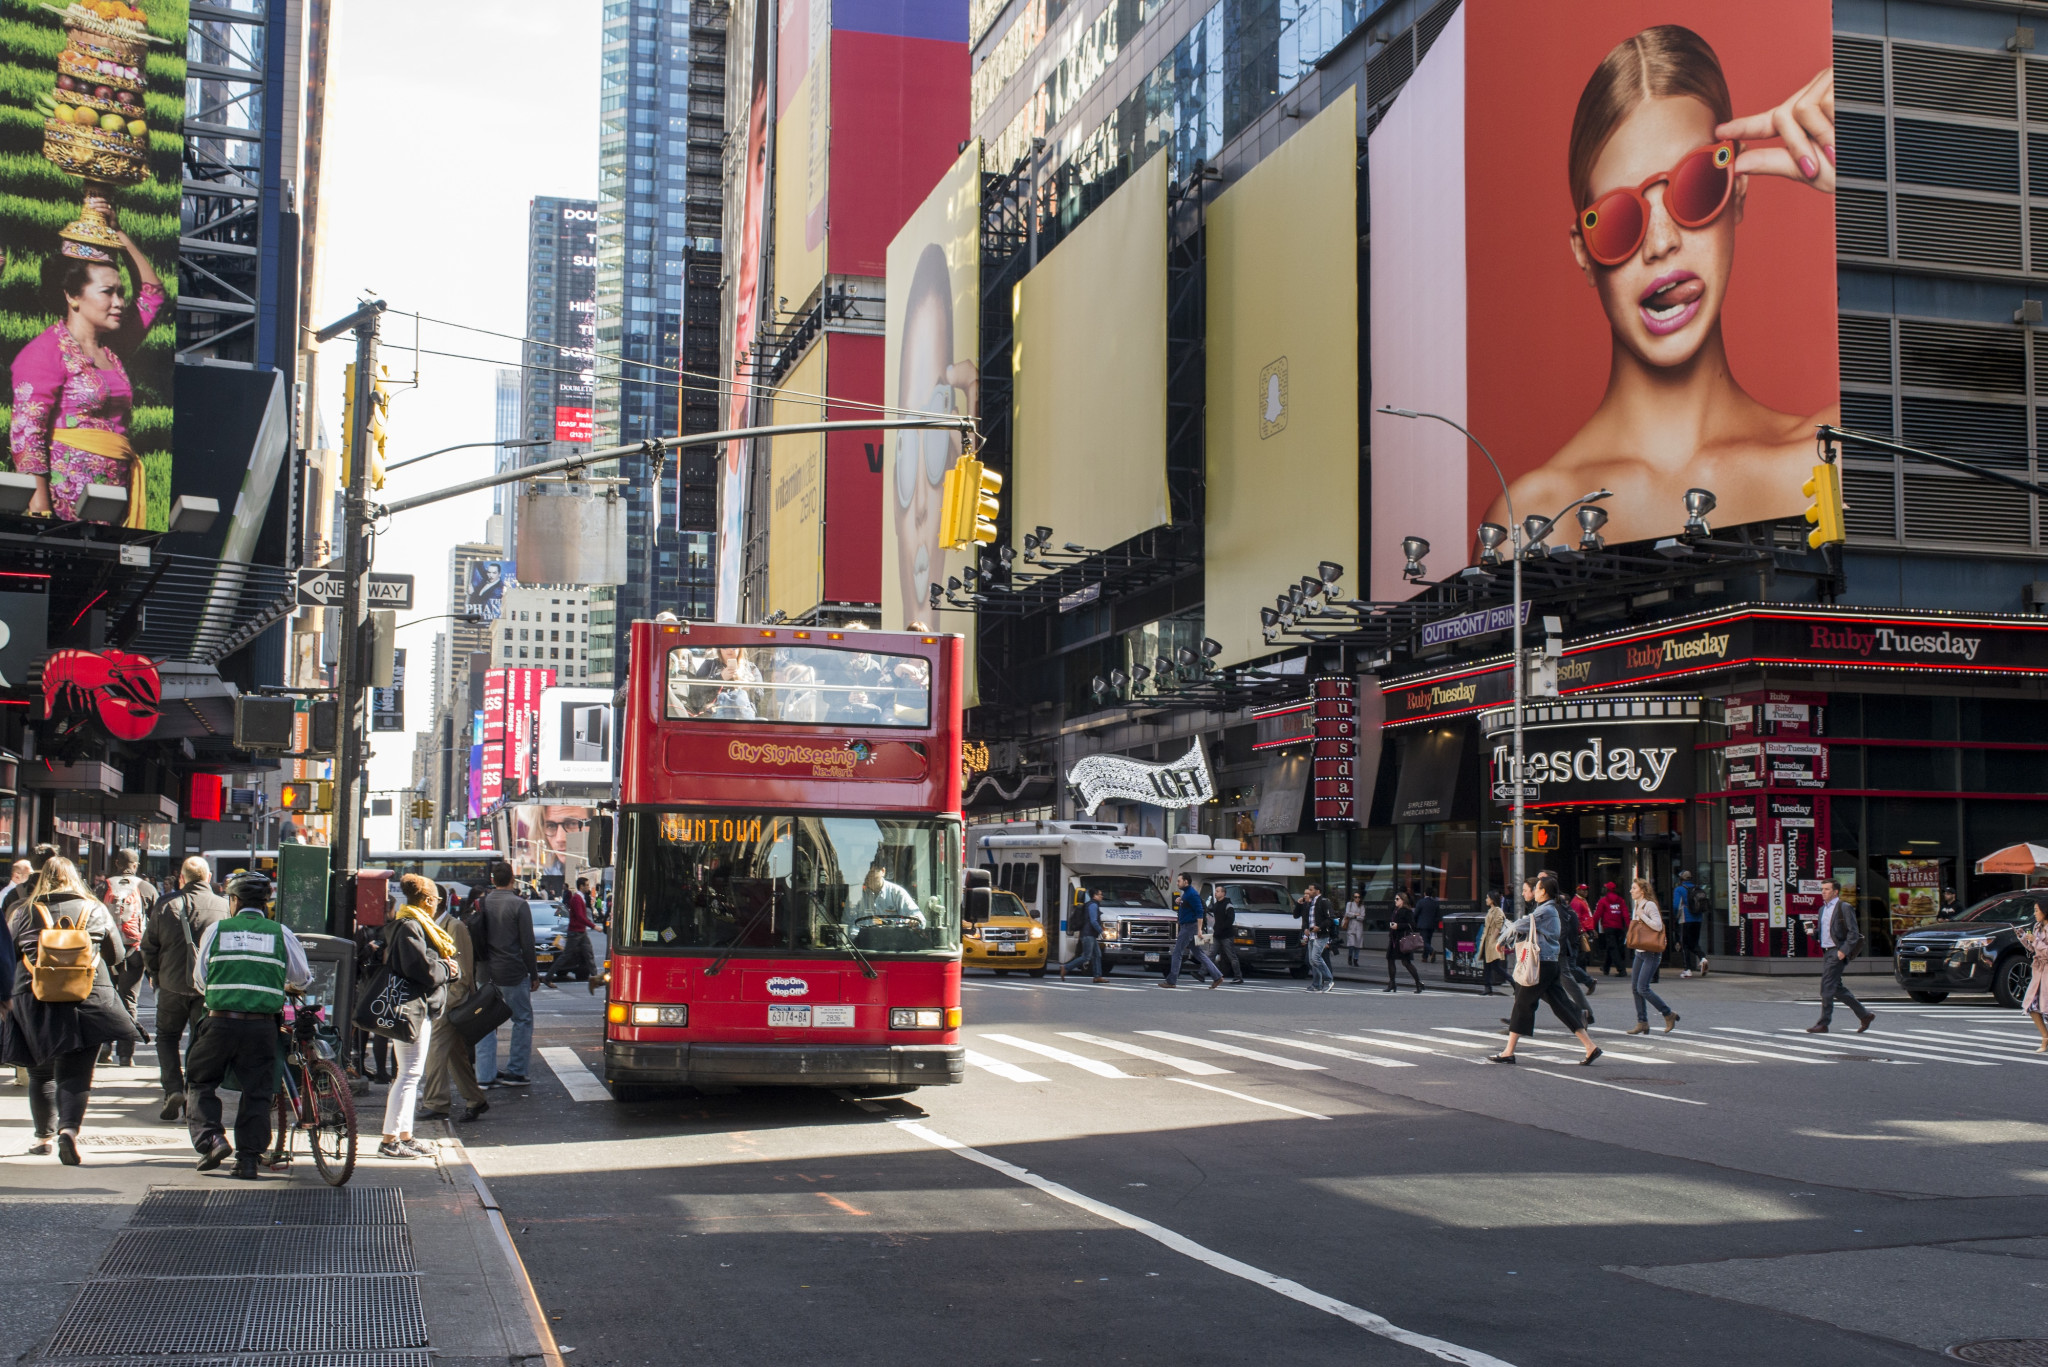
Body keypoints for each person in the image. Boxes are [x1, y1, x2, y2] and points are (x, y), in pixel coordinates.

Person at [1481, 27, 1838, 544]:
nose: (1661, 244)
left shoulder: (1834, 455)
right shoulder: (1534, 523)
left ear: (1736, 191)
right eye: (1621, 219)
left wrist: (1877, 171)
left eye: (1695, 187)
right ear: (1583, 251)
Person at [9, 217, 165, 524]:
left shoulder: (114, 347)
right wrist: (40, 512)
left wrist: (118, 232)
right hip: (63, 503)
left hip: (115, 496)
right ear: (72, 295)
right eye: (108, 292)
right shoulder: (43, 352)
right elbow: (27, 437)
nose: (120, 302)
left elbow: (152, 294)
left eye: (120, 292)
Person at [1, 856, 137, 1163]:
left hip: (35, 998)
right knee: (77, 1073)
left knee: (41, 1072)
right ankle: (69, 1131)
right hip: (87, 999)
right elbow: (116, 954)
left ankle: (43, 1137)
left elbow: (7, 956)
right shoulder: (95, 909)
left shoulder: (23, 912)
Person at [185, 870, 309, 1179]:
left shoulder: (217, 930)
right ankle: (248, 1160)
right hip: (262, 1028)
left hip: (219, 1023)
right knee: (257, 1091)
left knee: (200, 1082)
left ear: (235, 901)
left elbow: (200, 981)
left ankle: (212, 1139)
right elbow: (302, 978)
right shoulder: (281, 933)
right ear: (266, 903)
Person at [139, 856, 228, 1120]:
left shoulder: (165, 905)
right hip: (207, 989)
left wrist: (155, 974)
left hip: (171, 984)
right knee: (200, 1041)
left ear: (182, 878)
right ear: (208, 877)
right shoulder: (224, 908)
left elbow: (149, 947)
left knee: (167, 1037)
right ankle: (193, 1091)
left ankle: (172, 1088)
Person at [378, 875, 455, 1157]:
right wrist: (448, 970)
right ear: (427, 901)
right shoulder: (411, 926)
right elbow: (421, 969)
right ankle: (390, 1140)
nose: (436, 906)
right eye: (435, 901)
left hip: (414, 1007)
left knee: (410, 1074)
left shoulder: (409, 924)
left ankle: (405, 1135)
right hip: (412, 1008)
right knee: (408, 1075)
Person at [1490, 871, 1601, 1066]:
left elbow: (1520, 925)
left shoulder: (1546, 910)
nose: (1534, 891)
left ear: (1544, 892)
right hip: (1548, 964)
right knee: (1561, 1006)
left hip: (1541, 964)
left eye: (1537, 888)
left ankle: (1508, 1052)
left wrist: (1501, 940)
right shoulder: (1547, 908)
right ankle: (1591, 1047)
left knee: (1522, 1004)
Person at [419, 886, 489, 1124]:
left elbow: (464, 973)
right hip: (437, 1001)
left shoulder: (455, 927)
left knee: (435, 1050)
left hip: (449, 1003)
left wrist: (447, 1005)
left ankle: (436, 1103)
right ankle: (475, 1099)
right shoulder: (430, 926)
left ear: (434, 902)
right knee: (454, 1055)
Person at [470, 860, 539, 1087]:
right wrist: (534, 974)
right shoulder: (519, 905)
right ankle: (516, 1071)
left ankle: (484, 1075)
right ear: (512, 878)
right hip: (512, 971)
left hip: (485, 972)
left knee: (485, 1023)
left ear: (492, 880)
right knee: (522, 1019)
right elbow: (528, 944)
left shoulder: (482, 903)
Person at [94, 847, 154, 1065]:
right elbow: (155, 925)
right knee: (129, 999)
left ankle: (105, 1048)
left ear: (117, 864)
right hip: (134, 951)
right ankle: (126, 1055)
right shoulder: (146, 888)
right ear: (135, 866)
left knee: (107, 999)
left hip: (106, 952)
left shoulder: (103, 886)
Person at [1807, 879, 1874, 1034]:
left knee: (1826, 987)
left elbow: (1853, 933)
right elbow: (1823, 932)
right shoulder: (1822, 910)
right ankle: (1865, 1015)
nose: (1823, 892)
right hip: (1827, 951)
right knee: (1836, 988)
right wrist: (1813, 933)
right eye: (1822, 889)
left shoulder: (1844, 907)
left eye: (1827, 889)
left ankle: (1823, 1023)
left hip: (1837, 951)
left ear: (1835, 892)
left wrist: (1843, 951)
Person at [1626, 877, 1679, 1035]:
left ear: (1642, 890)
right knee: (1635, 988)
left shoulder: (1649, 905)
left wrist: (1642, 915)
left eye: (1634, 888)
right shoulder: (1637, 905)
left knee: (1643, 988)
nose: (1631, 891)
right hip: (1640, 952)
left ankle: (1668, 1013)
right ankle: (1642, 1022)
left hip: (1651, 953)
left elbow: (1658, 925)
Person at [1163, 874, 1222, 989]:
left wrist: (1199, 930)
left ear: (1186, 881)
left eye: (1179, 881)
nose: (1177, 883)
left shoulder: (1192, 894)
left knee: (1177, 952)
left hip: (1189, 927)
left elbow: (1199, 912)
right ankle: (1217, 976)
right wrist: (1180, 901)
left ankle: (1171, 980)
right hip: (1188, 926)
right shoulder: (1187, 894)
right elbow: (1188, 907)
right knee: (1198, 953)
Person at [548, 877, 597, 986]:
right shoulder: (576, 899)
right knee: (565, 956)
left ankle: (596, 977)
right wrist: (594, 926)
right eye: (587, 885)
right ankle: (548, 977)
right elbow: (580, 916)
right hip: (575, 932)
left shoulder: (581, 898)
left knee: (589, 954)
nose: (588, 887)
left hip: (580, 931)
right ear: (581, 886)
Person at [847, 861, 923, 929]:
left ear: (883, 871)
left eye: (871, 872)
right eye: (863, 872)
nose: (867, 876)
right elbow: (847, 924)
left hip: (893, 942)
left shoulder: (897, 892)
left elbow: (919, 919)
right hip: (861, 942)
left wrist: (914, 920)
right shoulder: (855, 895)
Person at [1058, 886, 1105, 983]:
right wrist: (1101, 931)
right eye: (1100, 894)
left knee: (1097, 954)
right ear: (1095, 896)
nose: (1102, 896)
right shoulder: (1093, 905)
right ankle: (1066, 968)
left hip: (1089, 934)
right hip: (1088, 934)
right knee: (1086, 956)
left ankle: (1097, 976)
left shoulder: (1091, 904)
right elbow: (1093, 921)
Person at [2019, 903, 2048, 1053]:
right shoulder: (2037, 926)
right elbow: (2033, 949)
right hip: (2039, 971)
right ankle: (2045, 1037)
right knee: (2031, 1005)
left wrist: (2035, 941)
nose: (2035, 913)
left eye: (2037, 910)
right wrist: (2024, 938)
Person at [1673, 869, 1710, 977]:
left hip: (1685, 919)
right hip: (1698, 919)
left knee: (1684, 944)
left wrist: (1676, 917)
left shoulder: (1679, 889)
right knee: (1694, 943)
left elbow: (1676, 906)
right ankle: (1703, 958)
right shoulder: (1697, 888)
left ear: (1681, 879)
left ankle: (1687, 969)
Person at [1385, 892, 1423, 994]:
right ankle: (1392, 983)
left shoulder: (1407, 911)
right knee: (1390, 959)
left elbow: (1412, 925)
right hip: (1393, 939)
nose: (1395, 901)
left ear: (1403, 900)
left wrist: (1398, 926)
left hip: (1403, 940)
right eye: (1395, 899)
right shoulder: (1395, 910)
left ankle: (1418, 983)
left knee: (1406, 962)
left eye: (1397, 899)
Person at [1300, 883, 1335, 993]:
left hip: (1321, 935)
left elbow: (1331, 919)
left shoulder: (1324, 902)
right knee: (1312, 960)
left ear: (1317, 891)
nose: (1309, 892)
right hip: (1311, 936)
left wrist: (1319, 927)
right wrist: (1305, 928)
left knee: (1315, 958)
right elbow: (1306, 918)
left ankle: (1329, 980)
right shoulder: (1310, 904)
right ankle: (1317, 985)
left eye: (1311, 890)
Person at [1207, 884, 1245, 984]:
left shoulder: (1228, 905)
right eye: (1215, 891)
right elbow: (1209, 910)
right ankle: (1201, 973)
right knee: (1211, 954)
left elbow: (1230, 920)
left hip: (1227, 935)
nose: (1216, 893)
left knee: (1231, 956)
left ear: (1223, 893)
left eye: (1218, 891)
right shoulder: (1216, 905)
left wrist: (1221, 929)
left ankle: (1238, 976)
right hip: (1217, 935)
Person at [1595, 881, 1630, 975]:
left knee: (1613, 948)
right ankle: (1606, 968)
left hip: (1608, 927)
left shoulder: (1603, 901)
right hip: (1619, 927)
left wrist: (1592, 927)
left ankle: (1621, 970)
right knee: (1612, 947)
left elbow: (1597, 914)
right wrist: (1629, 926)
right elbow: (1625, 914)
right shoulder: (1621, 900)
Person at [1479, 891, 1508, 996]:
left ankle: (1513, 981)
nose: (1486, 900)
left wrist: (1492, 940)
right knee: (1487, 966)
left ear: (1492, 899)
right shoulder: (1491, 910)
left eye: (1487, 898)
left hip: (1493, 942)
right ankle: (1487, 987)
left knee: (1495, 966)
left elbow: (1499, 926)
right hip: (1488, 942)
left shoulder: (1498, 911)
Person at [1413, 884, 1442, 964]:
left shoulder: (1421, 902)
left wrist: (1414, 922)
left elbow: (1416, 913)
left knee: (1423, 941)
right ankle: (1424, 957)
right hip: (1432, 925)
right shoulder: (1435, 903)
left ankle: (1432, 951)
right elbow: (1438, 915)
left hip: (1422, 925)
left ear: (1425, 893)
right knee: (1428, 941)